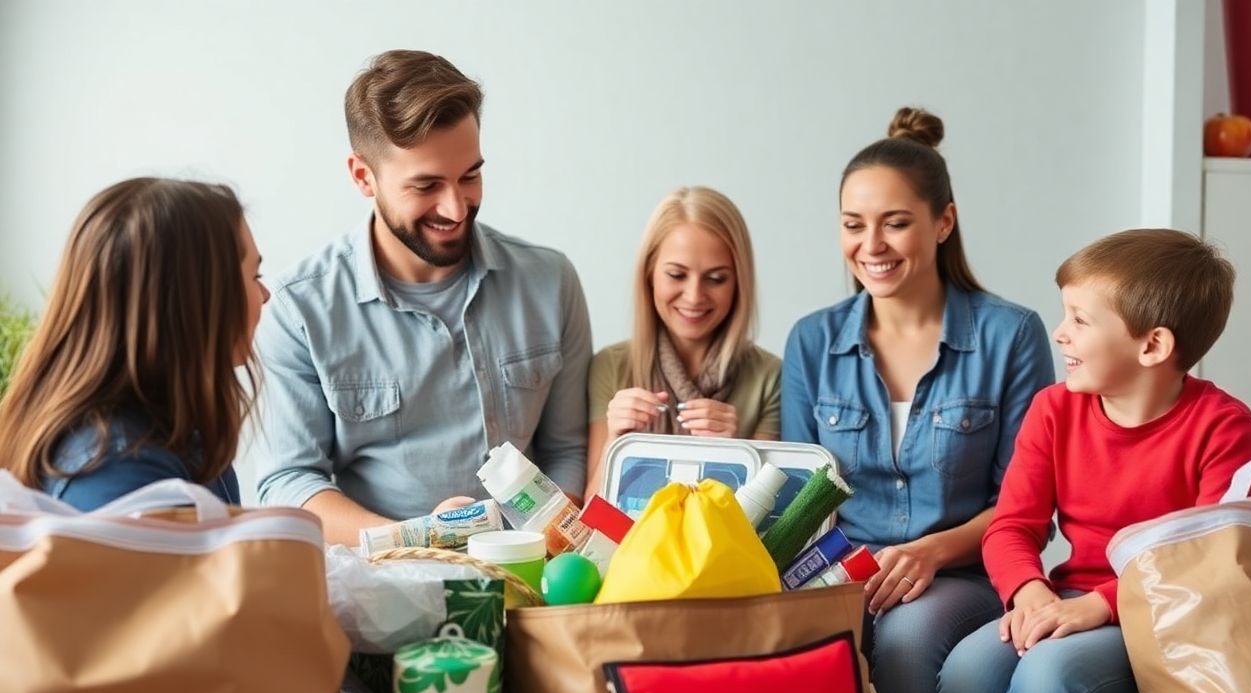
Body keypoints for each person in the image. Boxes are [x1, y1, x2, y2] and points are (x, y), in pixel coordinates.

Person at [780, 108, 1055, 693]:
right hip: (847, 573)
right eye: (853, 225)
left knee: (905, 636)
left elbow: (1029, 508)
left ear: (944, 222)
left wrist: (930, 552)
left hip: (963, 571)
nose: (870, 245)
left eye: (895, 223)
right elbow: (800, 501)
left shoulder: (1011, 335)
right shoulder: (812, 340)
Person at [937, 229, 1251, 693]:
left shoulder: (1225, 429)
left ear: (1152, 345)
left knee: (1047, 677)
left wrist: (1099, 605)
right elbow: (1012, 526)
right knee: (969, 671)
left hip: (1169, 625)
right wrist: (1028, 590)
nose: (1060, 335)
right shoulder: (1053, 410)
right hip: (1068, 603)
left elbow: (1205, 567)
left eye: (1080, 320)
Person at [252, 50, 591, 545]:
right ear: (362, 176)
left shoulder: (550, 280)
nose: (455, 208)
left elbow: (566, 450)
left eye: (470, 176)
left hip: (534, 571)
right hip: (384, 587)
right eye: (426, 185)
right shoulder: (298, 310)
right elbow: (288, 483)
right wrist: (421, 540)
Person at [0, 178, 269, 510]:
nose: (266, 295)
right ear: (191, 301)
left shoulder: (176, 431)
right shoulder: (121, 469)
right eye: (255, 277)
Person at [585, 186, 780, 497]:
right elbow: (587, 523)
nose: (694, 297)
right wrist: (615, 442)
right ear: (649, 274)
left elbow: (769, 531)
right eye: (676, 275)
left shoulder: (769, 376)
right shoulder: (611, 365)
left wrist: (737, 455)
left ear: (739, 282)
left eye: (716, 279)